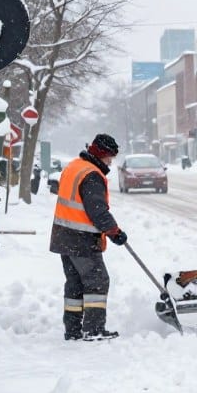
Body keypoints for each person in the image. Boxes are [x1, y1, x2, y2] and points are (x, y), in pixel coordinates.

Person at [50, 133, 127, 341]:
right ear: (101, 154)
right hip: (80, 239)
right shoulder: (91, 175)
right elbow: (97, 211)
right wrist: (114, 232)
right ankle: (93, 330)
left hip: (63, 236)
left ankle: (73, 330)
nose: (110, 161)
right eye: (109, 157)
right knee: (97, 281)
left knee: (75, 283)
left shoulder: (75, 166)